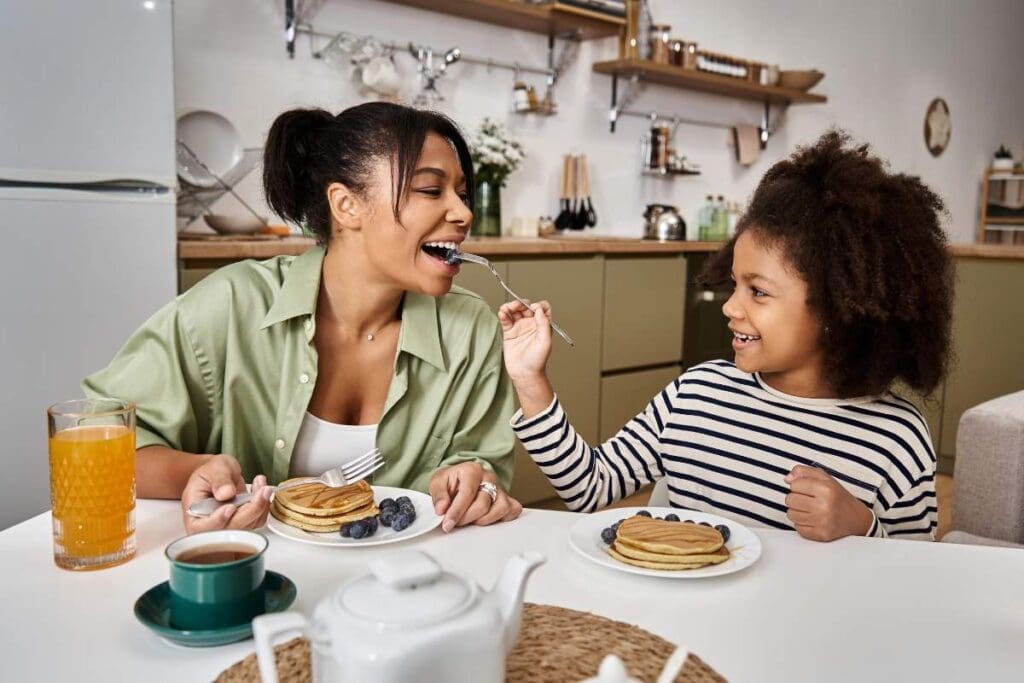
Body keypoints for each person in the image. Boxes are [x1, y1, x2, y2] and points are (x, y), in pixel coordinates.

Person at [84, 102, 522, 534]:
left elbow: (483, 467)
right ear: (346, 205)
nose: (464, 214)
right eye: (431, 190)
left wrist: (473, 484)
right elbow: (95, 442)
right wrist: (196, 471)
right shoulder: (234, 305)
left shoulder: (472, 330)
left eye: (462, 194)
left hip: (406, 587)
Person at [500, 131, 950, 541]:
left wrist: (863, 528)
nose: (730, 307)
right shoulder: (696, 394)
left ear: (838, 305)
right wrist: (530, 381)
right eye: (733, 284)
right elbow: (589, 487)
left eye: (758, 291)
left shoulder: (896, 437)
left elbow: (914, 578)